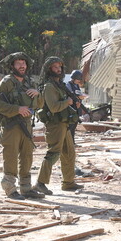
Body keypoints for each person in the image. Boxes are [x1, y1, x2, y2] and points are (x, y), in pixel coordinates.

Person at [0, 52, 45, 200]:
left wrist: (38, 94)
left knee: (27, 156)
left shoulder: (29, 82)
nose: (22, 66)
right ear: (12, 66)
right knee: (10, 156)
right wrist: (17, 109)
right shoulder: (7, 82)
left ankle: (26, 188)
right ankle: (10, 189)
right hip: (11, 125)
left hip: (27, 125)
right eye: (18, 63)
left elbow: (40, 104)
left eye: (24, 63)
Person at [34, 57, 83, 195]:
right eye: (55, 67)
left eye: (60, 67)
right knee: (53, 153)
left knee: (69, 153)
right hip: (55, 124)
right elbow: (54, 107)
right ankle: (40, 183)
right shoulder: (49, 86)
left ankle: (68, 182)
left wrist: (74, 104)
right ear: (50, 69)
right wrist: (67, 103)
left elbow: (65, 102)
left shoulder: (59, 85)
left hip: (64, 123)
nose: (58, 69)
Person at [65, 69, 88, 141]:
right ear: (74, 78)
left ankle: (72, 142)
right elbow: (69, 96)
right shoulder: (68, 85)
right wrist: (78, 98)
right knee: (70, 126)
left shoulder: (77, 86)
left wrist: (81, 97)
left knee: (74, 126)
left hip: (77, 108)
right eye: (78, 79)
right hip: (71, 108)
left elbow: (78, 94)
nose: (79, 81)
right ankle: (69, 142)